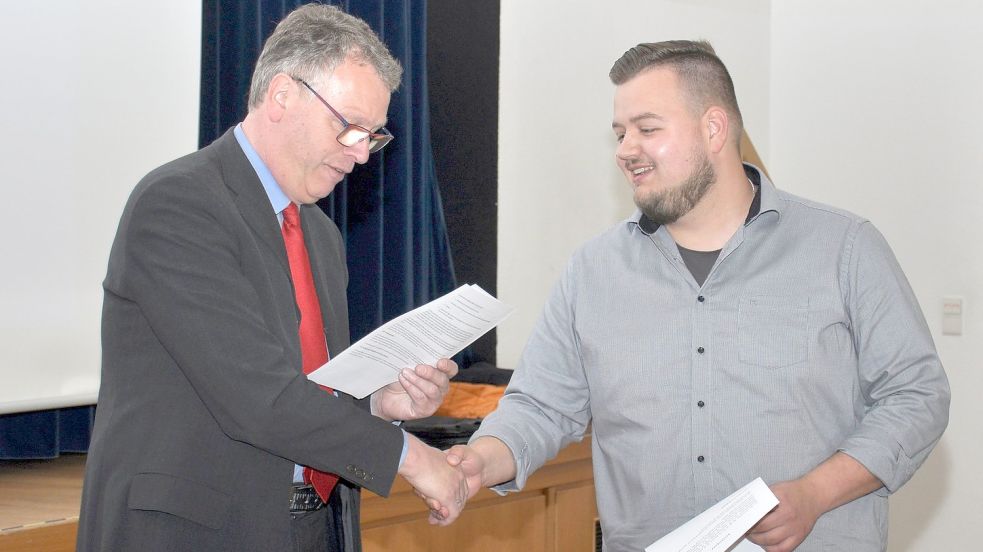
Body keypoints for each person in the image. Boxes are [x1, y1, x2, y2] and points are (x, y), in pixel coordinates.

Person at [440, 40, 950, 552]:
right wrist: (481, 459)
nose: (625, 149)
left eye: (647, 128)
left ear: (713, 129)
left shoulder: (844, 248)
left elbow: (917, 397)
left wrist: (815, 493)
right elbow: (541, 407)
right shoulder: (591, 271)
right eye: (620, 133)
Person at [77, 5, 467, 552]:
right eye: (350, 128)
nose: (360, 155)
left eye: (372, 137)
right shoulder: (179, 204)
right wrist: (410, 455)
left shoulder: (322, 237)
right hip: (193, 532)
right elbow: (257, 396)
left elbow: (299, 386)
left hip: (314, 527)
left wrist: (378, 402)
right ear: (283, 95)